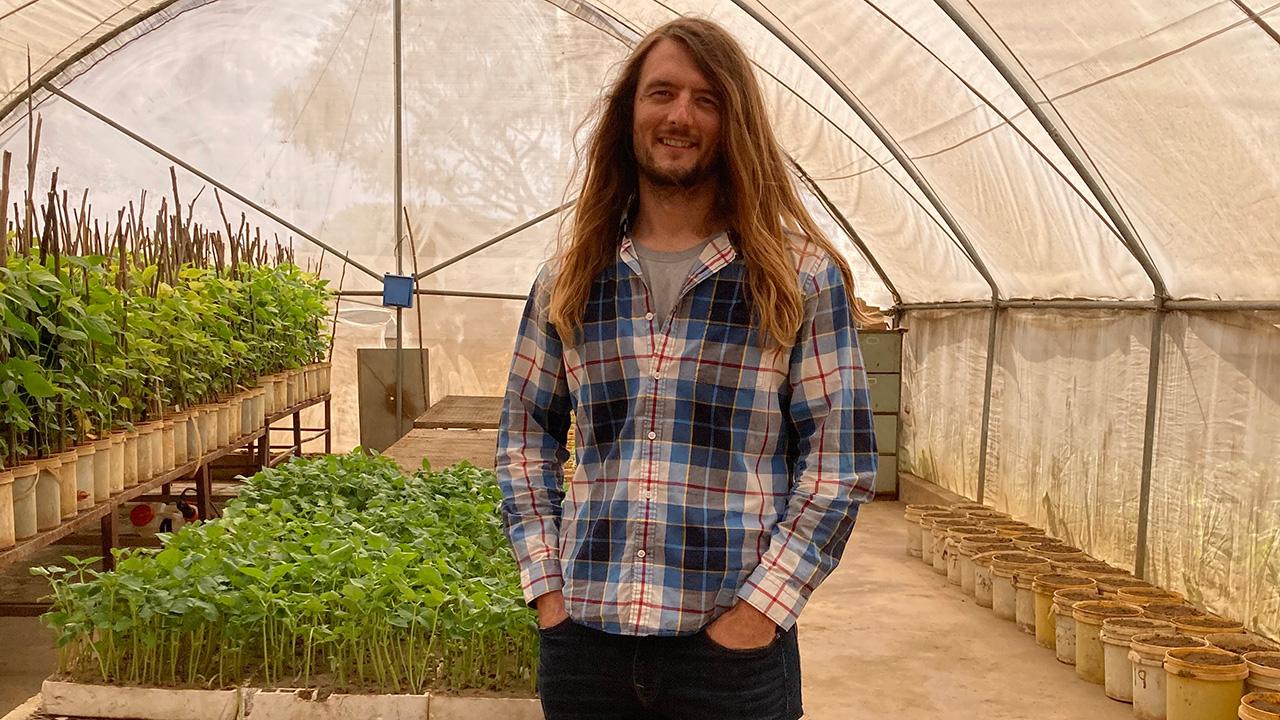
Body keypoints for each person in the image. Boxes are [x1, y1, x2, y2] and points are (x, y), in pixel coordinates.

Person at [496, 17, 877, 720]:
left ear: (735, 124)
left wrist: (758, 616)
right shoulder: (570, 279)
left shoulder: (796, 280)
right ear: (628, 115)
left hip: (731, 659)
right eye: (662, 93)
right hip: (587, 649)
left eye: (707, 100)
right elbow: (524, 440)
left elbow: (839, 462)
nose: (680, 116)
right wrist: (549, 593)